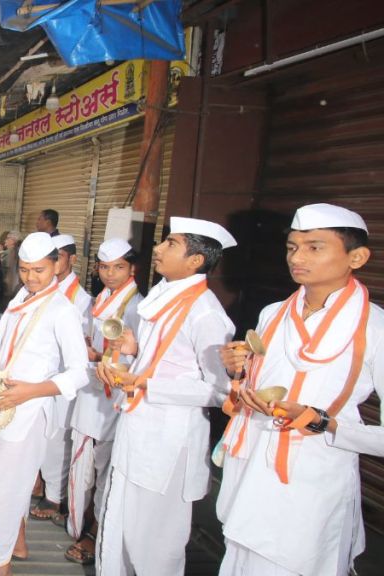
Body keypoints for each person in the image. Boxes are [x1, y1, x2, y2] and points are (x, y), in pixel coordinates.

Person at [216, 204, 381, 576]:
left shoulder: (375, 328)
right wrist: (237, 373)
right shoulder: (273, 313)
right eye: (292, 247)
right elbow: (254, 386)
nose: (298, 258)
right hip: (251, 467)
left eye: (315, 247)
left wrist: (325, 423)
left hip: (313, 480)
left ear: (357, 256)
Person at [95, 217, 236, 576]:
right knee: (119, 528)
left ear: (195, 261)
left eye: (171, 244)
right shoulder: (165, 296)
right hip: (137, 429)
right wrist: (132, 350)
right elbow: (165, 361)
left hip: (168, 443)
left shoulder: (205, 312)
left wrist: (145, 384)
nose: (157, 249)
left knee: (155, 544)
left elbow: (219, 391)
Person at [0, 232, 89, 576]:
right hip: (1, 404)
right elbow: (4, 346)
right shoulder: (19, 300)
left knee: (5, 489)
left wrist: (30, 391)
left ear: (57, 265)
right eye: (26, 269)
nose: (32, 277)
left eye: (40, 270)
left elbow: (79, 373)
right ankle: (15, 543)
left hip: (28, 412)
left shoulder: (63, 310)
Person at [64, 238, 142, 566]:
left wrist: (99, 357)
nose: (110, 274)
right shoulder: (103, 298)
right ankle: (80, 525)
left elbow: (136, 358)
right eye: (105, 267)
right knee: (83, 463)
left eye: (118, 268)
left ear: (132, 269)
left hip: (112, 399)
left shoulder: (137, 306)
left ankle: (95, 534)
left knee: (104, 469)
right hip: (90, 390)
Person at [30, 233, 91, 523]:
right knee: (43, 434)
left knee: (57, 437)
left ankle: (55, 495)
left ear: (67, 260)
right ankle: (42, 481)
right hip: (38, 378)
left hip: (61, 379)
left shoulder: (79, 299)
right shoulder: (35, 290)